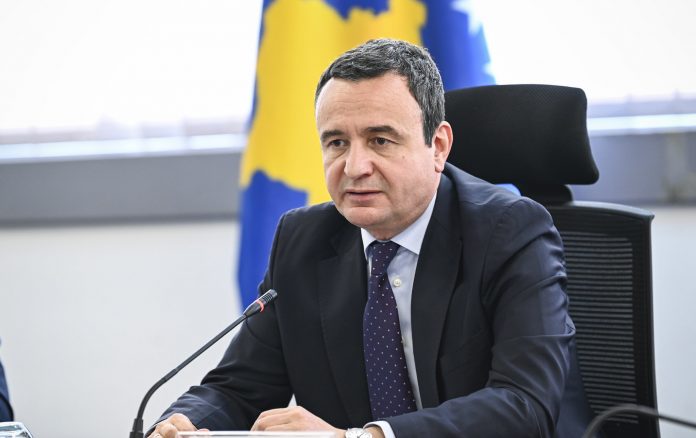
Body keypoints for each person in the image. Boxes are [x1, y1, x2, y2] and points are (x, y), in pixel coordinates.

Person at [150, 38, 592, 438]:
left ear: (438, 146)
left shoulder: (510, 232)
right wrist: (182, 423)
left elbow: (524, 405)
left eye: (380, 140)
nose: (354, 167)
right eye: (336, 143)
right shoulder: (302, 240)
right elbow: (238, 388)